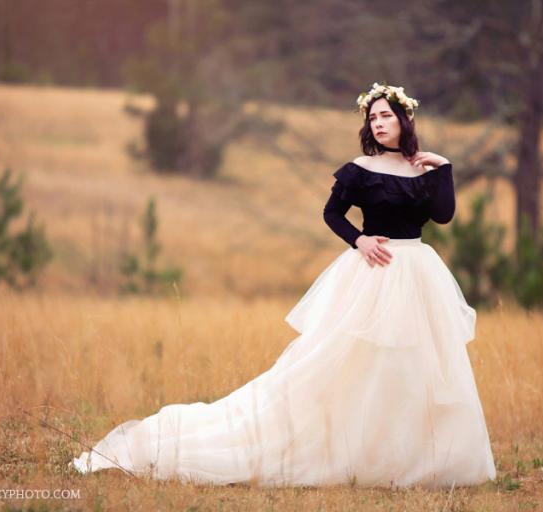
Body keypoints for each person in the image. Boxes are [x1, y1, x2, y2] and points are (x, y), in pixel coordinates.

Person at [70, 82, 497, 489]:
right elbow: (332, 214)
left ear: (405, 119)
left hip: (419, 273)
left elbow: (442, 216)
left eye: (386, 115)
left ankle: (414, 456)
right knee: (352, 364)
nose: (378, 124)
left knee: (417, 365)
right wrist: (360, 240)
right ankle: (351, 451)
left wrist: (443, 166)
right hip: (375, 276)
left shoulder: (422, 168)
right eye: (372, 118)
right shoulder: (361, 171)